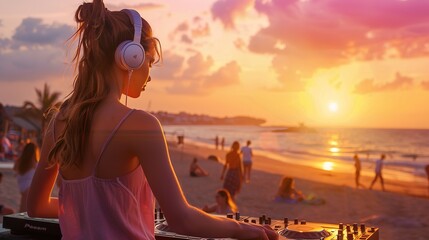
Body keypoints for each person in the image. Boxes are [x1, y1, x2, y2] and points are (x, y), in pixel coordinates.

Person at [27, 2, 277, 240]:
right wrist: (239, 229)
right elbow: (182, 220)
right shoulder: (140, 126)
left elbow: (36, 207)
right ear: (130, 57)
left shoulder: (59, 122)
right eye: (149, 62)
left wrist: (85, 208)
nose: (149, 75)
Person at [13, 142, 38, 212]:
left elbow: (14, 170)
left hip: (22, 187)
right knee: (24, 211)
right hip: (29, 188)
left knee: (22, 209)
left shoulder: (19, 161)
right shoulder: (34, 163)